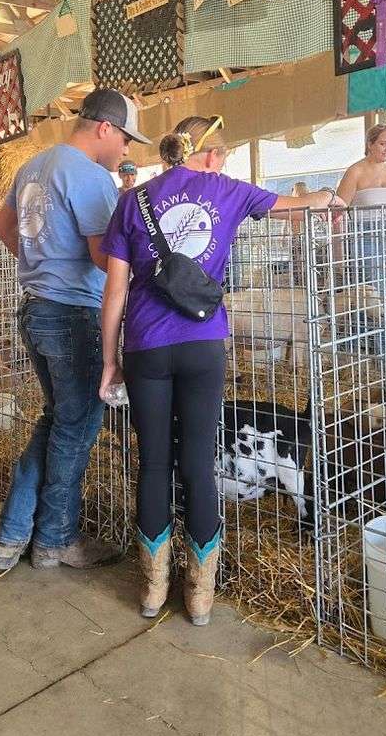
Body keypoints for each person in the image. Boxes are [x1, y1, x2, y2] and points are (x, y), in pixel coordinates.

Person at [99, 116, 343, 625]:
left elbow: (115, 291)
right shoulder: (228, 191)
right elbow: (298, 206)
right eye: (224, 156)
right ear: (209, 154)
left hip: (146, 346)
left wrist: (109, 361)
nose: (223, 164)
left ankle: (151, 589)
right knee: (197, 463)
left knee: (152, 464)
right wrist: (329, 197)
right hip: (203, 344)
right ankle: (200, 594)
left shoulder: (132, 202)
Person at [0, 88, 151, 573]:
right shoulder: (88, 176)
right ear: (104, 128)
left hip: (36, 308)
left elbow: (1, 225)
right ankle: (55, 541)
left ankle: (13, 534)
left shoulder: (34, 165)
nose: (125, 150)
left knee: (57, 420)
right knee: (76, 429)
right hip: (72, 314)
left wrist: (41, 263)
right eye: (124, 139)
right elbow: (105, 257)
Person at [335, 125, 386, 354]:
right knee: (366, 294)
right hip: (364, 236)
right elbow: (338, 212)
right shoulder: (355, 172)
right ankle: (357, 353)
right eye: (383, 143)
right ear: (370, 144)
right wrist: (338, 252)